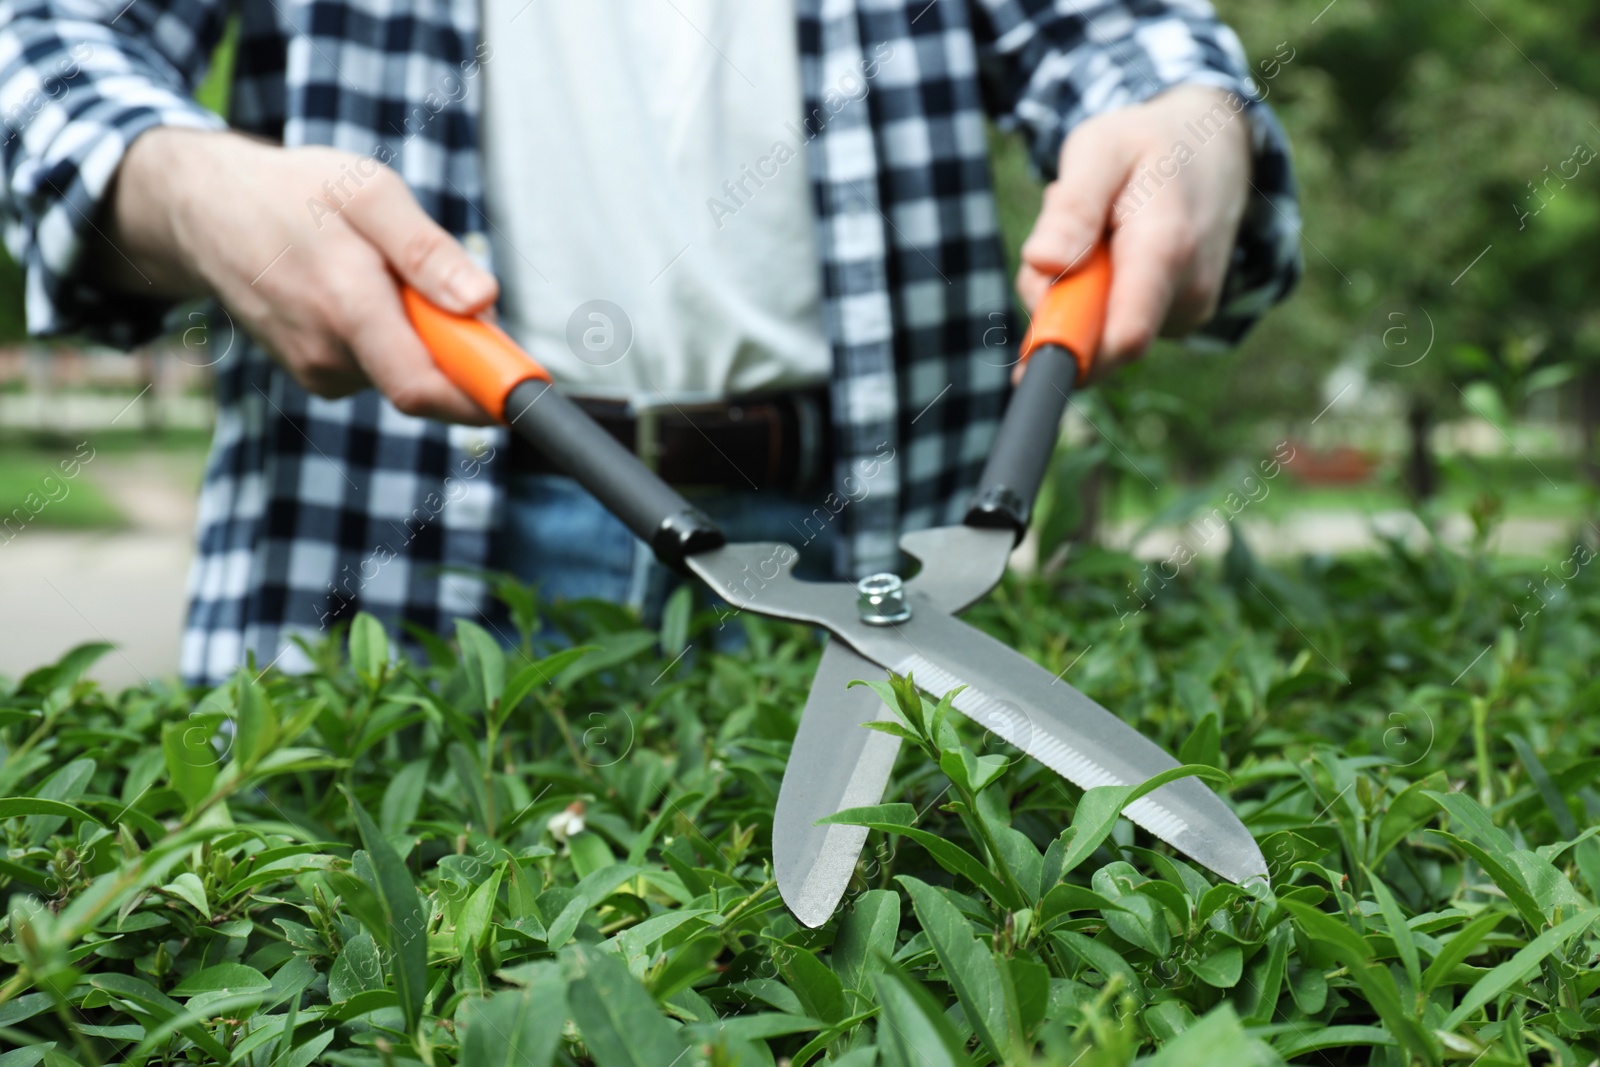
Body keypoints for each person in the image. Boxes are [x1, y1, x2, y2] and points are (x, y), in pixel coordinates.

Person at [0, 0, 1299, 686]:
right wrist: (180, 184)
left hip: (872, 527)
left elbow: (1111, 29)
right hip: (394, 547)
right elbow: (42, 37)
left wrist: (1188, 119)